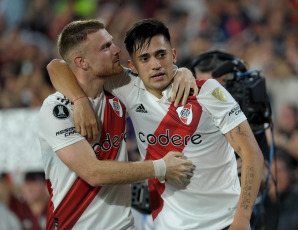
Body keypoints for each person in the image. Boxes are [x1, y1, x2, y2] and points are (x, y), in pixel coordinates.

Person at [48, 18, 264, 230]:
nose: (156, 65)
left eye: (161, 55)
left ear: (174, 55)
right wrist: (80, 100)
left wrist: (242, 219)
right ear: (132, 65)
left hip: (224, 222)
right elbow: (57, 66)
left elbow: (252, 153)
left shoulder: (208, 92)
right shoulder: (127, 86)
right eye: (145, 58)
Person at [39, 19, 196, 230]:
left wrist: (182, 72)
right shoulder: (56, 109)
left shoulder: (119, 91)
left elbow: (159, 74)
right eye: (105, 47)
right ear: (82, 62)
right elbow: (94, 173)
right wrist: (161, 167)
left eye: (112, 42)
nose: (117, 50)